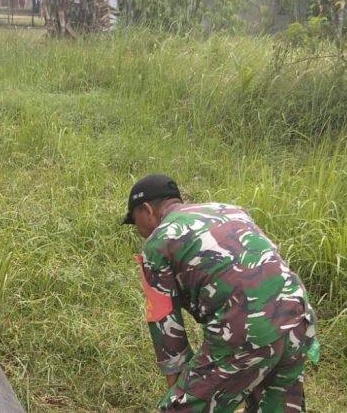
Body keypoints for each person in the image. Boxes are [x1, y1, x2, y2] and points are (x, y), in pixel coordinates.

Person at [122, 174, 317, 413]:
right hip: (299, 317)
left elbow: (165, 326)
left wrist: (182, 397)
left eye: (135, 221)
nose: (138, 230)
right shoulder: (230, 210)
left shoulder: (158, 242)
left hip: (248, 329)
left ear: (146, 209)